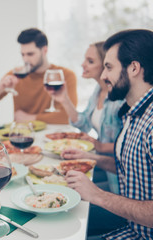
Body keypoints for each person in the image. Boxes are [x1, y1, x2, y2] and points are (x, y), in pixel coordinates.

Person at [65, 29, 153, 239]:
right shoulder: (133, 114)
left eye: (109, 67)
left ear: (133, 68)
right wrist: (91, 158)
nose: (103, 76)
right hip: (131, 226)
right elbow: (134, 170)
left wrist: (98, 195)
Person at [0, 28, 78, 124]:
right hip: (22, 135)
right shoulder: (15, 76)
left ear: (44, 50)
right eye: (22, 54)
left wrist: (30, 118)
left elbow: (68, 117)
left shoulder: (66, 76)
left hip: (54, 136)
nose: (25, 59)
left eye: (30, 54)